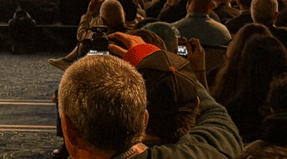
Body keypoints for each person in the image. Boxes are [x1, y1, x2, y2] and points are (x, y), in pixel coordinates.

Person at [58, 32, 243, 159]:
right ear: (143, 120)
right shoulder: (205, 152)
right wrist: (160, 63)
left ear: (68, 129)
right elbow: (219, 120)